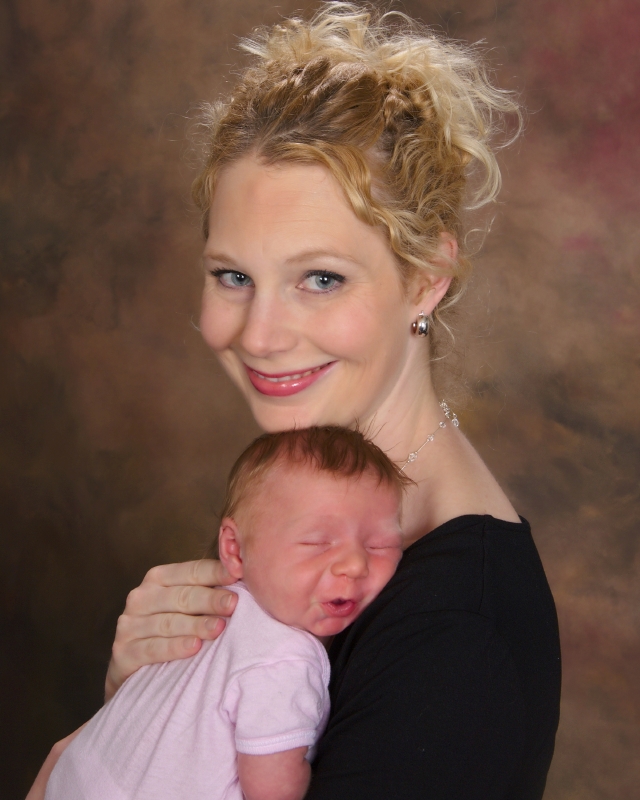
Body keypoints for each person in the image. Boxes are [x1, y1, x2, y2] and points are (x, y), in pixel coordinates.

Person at [31, 4, 561, 799]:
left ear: (426, 279)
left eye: (320, 278)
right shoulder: (304, 500)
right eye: (234, 276)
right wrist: (139, 702)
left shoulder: (458, 633)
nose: (260, 334)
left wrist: (56, 770)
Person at [44, 426, 408, 800]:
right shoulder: (286, 659)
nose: (355, 564)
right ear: (234, 549)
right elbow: (271, 791)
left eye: (379, 545)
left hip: (71, 779)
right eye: (317, 542)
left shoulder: (207, 605)